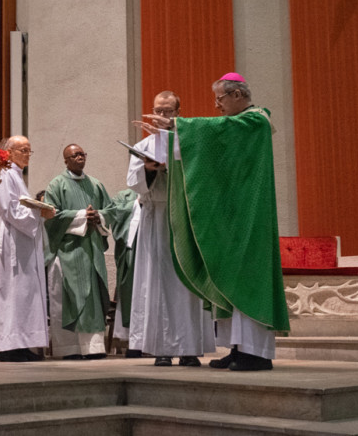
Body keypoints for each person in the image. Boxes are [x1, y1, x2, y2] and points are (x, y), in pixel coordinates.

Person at [140, 74, 289, 371]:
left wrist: (178, 126)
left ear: (237, 94)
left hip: (251, 217)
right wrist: (170, 137)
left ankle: (256, 354)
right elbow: (216, 149)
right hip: (234, 215)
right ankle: (238, 349)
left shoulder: (255, 121)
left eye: (219, 99)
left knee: (247, 280)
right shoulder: (237, 124)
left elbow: (217, 132)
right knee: (229, 277)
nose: (217, 106)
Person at [127, 91, 215, 367]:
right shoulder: (143, 145)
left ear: (178, 113)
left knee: (186, 282)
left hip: (183, 217)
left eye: (168, 111)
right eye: (158, 110)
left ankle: (189, 348)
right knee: (157, 282)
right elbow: (134, 182)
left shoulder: (189, 142)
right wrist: (149, 169)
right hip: (156, 216)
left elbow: (202, 177)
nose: (162, 116)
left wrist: (173, 167)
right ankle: (160, 348)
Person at [43, 144, 114, 359]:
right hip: (68, 251)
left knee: (93, 297)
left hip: (92, 248)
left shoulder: (96, 184)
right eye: (75, 155)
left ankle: (94, 348)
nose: (80, 157)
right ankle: (69, 349)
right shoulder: (56, 185)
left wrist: (99, 216)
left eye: (83, 154)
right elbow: (50, 215)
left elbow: (110, 210)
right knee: (68, 298)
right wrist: (82, 215)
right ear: (66, 160)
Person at [0, 135, 56, 362]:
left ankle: (23, 344)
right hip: (13, 239)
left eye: (29, 150)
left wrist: (39, 210)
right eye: (23, 150)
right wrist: (39, 212)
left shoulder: (16, 174)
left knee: (26, 292)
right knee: (14, 291)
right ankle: (9, 347)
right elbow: (9, 209)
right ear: (8, 153)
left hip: (24, 240)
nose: (28, 154)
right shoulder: (3, 173)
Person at [106, 188, 140, 352]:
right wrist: (137, 204)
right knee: (132, 293)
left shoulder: (161, 191)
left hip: (154, 252)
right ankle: (131, 342)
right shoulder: (124, 196)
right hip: (132, 254)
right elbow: (114, 213)